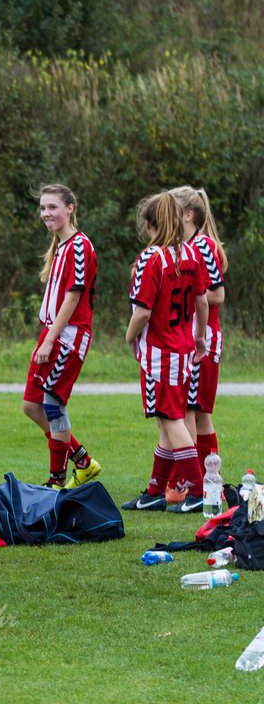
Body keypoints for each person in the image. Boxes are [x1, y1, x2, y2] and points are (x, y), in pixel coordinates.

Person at [119, 192, 209, 511]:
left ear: (149, 223)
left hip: (162, 351)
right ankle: (156, 490)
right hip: (182, 348)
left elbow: (142, 312)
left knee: (172, 421)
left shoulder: (151, 258)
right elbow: (201, 301)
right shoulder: (191, 254)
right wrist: (198, 337)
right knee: (165, 421)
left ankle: (198, 491)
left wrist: (130, 339)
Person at [21, 184, 100, 489]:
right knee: (31, 405)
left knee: (53, 404)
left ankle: (55, 482)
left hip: (68, 336)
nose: (46, 213)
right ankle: (82, 461)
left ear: (70, 208)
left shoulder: (79, 245)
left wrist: (51, 339)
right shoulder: (62, 246)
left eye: (52, 207)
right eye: (42, 208)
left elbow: (73, 296)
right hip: (53, 333)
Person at [169, 185, 227, 513]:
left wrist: (191, 295)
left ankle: (198, 484)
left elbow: (216, 294)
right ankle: (204, 483)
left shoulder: (202, 245)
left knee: (195, 412)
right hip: (189, 339)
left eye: (172, 208)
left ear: (188, 213)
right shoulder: (185, 245)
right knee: (194, 412)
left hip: (204, 339)